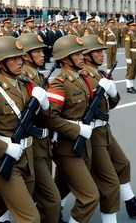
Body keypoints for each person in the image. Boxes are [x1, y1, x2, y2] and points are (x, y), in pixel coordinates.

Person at [0, 36, 51, 223]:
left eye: (20, 57)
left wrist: (45, 106)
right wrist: (3, 148)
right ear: (0, 63)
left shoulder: (25, 85)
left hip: (27, 156)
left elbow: (41, 121)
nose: (19, 62)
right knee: (30, 218)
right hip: (5, 159)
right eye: (13, 59)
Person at [81, 35, 136, 221]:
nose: (102, 55)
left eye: (102, 51)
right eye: (97, 51)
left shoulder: (100, 74)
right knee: (108, 183)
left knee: (122, 164)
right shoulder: (82, 76)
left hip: (104, 130)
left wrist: (112, 92)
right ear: (86, 55)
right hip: (90, 134)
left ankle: (130, 202)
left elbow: (113, 103)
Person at [46, 35, 100, 223]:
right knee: (90, 196)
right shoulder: (60, 84)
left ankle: (49, 215)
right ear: (65, 59)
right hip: (67, 148)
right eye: (77, 54)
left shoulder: (81, 79)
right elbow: (50, 118)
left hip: (83, 145)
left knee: (60, 188)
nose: (82, 56)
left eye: (81, 53)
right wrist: (77, 129)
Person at [19, 33, 63, 223]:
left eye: (42, 50)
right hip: (31, 145)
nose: (42, 54)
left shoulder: (40, 77)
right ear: (26, 56)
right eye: (37, 51)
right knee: (50, 198)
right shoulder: (22, 79)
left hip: (43, 141)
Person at [124, 19, 136, 93]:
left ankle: (131, 86)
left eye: (134, 25)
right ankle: (128, 87)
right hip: (131, 55)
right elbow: (127, 47)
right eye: (133, 26)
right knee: (130, 72)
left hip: (135, 55)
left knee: (134, 71)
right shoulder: (128, 35)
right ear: (129, 27)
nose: (134, 27)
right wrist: (127, 57)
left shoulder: (134, 34)